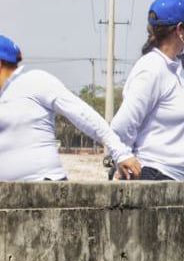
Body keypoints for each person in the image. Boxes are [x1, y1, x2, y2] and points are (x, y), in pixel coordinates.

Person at [0, 35, 135, 181]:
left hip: (44, 189)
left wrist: (120, 152)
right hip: (9, 198)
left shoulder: (34, 81)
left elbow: (82, 114)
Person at [111, 0, 184, 181]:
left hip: (179, 180)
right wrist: (123, 158)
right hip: (157, 176)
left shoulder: (174, 67)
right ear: (180, 29)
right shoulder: (151, 69)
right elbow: (121, 126)